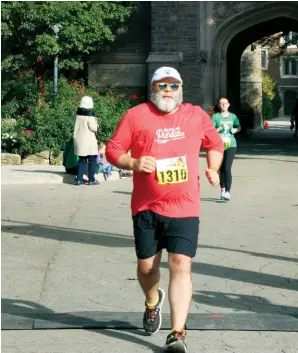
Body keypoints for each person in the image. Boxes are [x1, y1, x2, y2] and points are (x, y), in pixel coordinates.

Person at [106, 66, 224, 353]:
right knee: (147, 267)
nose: (168, 91)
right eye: (162, 86)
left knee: (180, 264)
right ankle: (151, 301)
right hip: (146, 206)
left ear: (181, 88)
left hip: (185, 206)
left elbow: (215, 143)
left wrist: (213, 167)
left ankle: (177, 333)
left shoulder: (196, 115)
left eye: (173, 86)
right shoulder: (136, 115)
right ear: (153, 88)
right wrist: (133, 163)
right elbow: (112, 150)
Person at [211, 97, 241, 201]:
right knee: (221, 169)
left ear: (228, 105)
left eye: (225, 103)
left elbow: (239, 126)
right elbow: (211, 131)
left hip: (231, 144)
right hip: (218, 146)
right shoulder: (215, 117)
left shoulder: (233, 116)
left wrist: (235, 130)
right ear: (219, 105)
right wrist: (219, 128)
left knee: (227, 168)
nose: (223, 105)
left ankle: (228, 192)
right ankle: (222, 189)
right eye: (221, 104)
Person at [73, 96, 100, 185]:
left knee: (82, 160)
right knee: (92, 160)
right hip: (89, 141)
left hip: (80, 140)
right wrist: (97, 123)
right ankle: (91, 180)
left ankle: (79, 179)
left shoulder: (78, 114)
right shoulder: (90, 115)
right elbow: (94, 128)